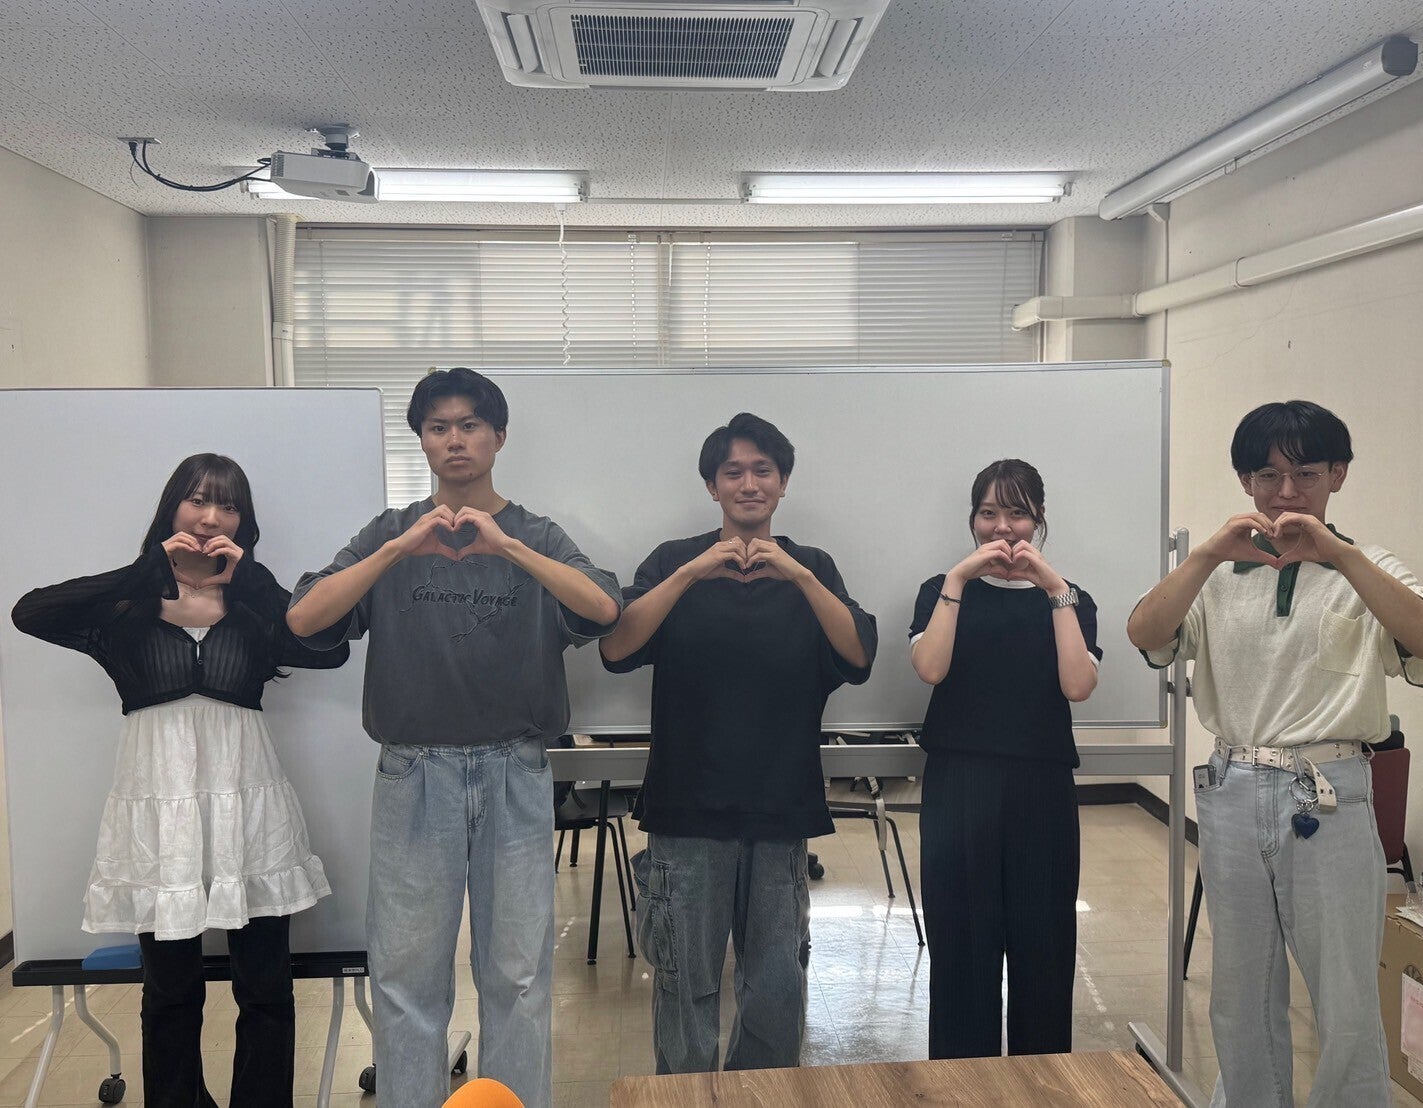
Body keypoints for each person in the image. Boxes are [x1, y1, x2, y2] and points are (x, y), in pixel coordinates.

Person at [286, 368, 621, 1108]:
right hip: (414, 773)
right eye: (438, 427)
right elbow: (304, 617)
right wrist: (398, 551)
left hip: (515, 771)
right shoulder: (390, 533)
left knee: (519, 975)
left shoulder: (535, 534)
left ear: (498, 437)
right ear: (422, 442)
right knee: (405, 976)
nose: (455, 439)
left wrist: (509, 549)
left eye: (470, 425)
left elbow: (603, 607)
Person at [1127, 400, 1423, 1108]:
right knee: (1239, 990)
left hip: (1329, 790)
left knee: (1345, 994)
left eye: (1305, 473)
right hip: (1234, 784)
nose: (1286, 492)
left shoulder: (1369, 567)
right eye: (1267, 475)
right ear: (1246, 482)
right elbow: (1145, 634)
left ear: (1337, 474)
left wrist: (1341, 557)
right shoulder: (1216, 575)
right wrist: (1205, 554)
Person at [12, 453, 346, 1108]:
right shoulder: (126, 607)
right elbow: (31, 612)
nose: (211, 517)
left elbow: (330, 647)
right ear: (172, 509)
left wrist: (252, 581)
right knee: (169, 991)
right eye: (198, 500)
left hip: (249, 810)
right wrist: (149, 569)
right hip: (159, 817)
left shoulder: (254, 606)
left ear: (243, 523)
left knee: (266, 988)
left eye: (228, 506)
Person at [600, 412, 877, 1074]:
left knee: (776, 990)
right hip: (686, 811)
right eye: (733, 472)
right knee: (685, 986)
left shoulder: (812, 567)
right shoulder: (673, 561)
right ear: (711, 486)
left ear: (782, 483)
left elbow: (858, 654)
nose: (748, 484)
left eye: (762, 471)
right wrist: (692, 573)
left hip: (780, 810)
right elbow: (615, 648)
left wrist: (799, 577)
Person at [908, 458, 1100, 1059]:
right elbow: (930, 668)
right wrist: (958, 579)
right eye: (988, 512)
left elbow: (1078, 685)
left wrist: (1054, 590)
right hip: (957, 784)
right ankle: (962, 1086)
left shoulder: (1070, 597)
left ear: (1038, 519)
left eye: (1017, 512)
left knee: (1044, 947)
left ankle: (1041, 1084)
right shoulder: (940, 591)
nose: (1003, 527)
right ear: (972, 519)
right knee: (960, 948)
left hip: (1041, 786)